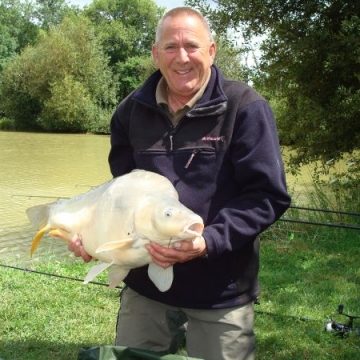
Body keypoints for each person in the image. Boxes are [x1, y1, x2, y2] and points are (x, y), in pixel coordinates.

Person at [69, 7, 291, 360]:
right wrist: (96, 241)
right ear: (156, 54)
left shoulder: (245, 108)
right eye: (170, 47)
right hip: (144, 288)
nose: (182, 57)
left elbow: (267, 197)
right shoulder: (129, 111)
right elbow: (120, 194)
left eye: (192, 45)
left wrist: (209, 242)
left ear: (212, 51)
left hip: (221, 290)